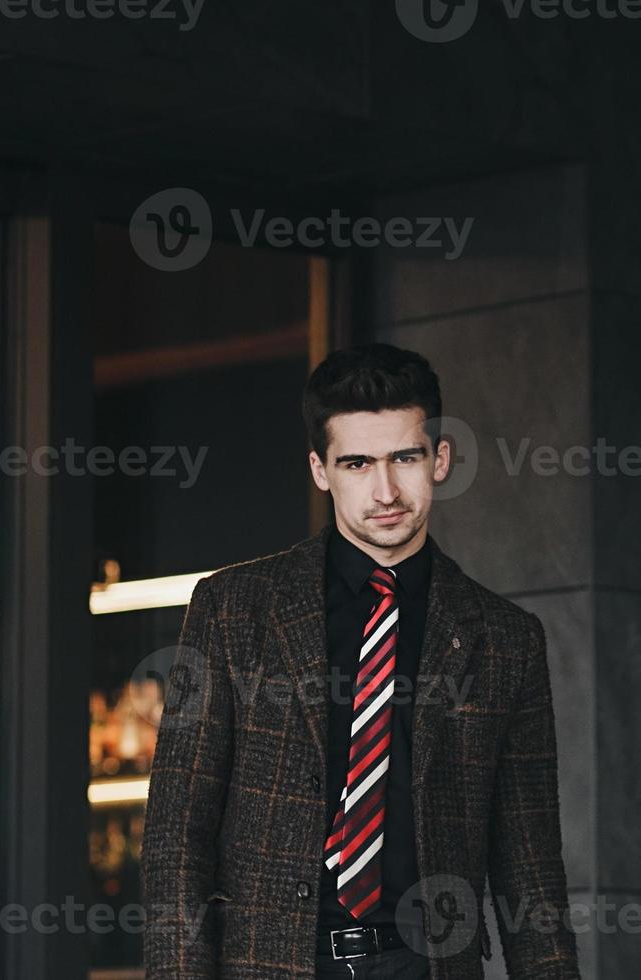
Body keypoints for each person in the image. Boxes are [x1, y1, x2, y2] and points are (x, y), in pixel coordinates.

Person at [143, 343, 579, 979]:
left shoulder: (506, 640)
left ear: (440, 459)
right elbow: (177, 832)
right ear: (321, 470)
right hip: (270, 965)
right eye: (357, 463)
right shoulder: (233, 610)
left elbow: (531, 870)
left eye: (405, 457)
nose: (385, 490)